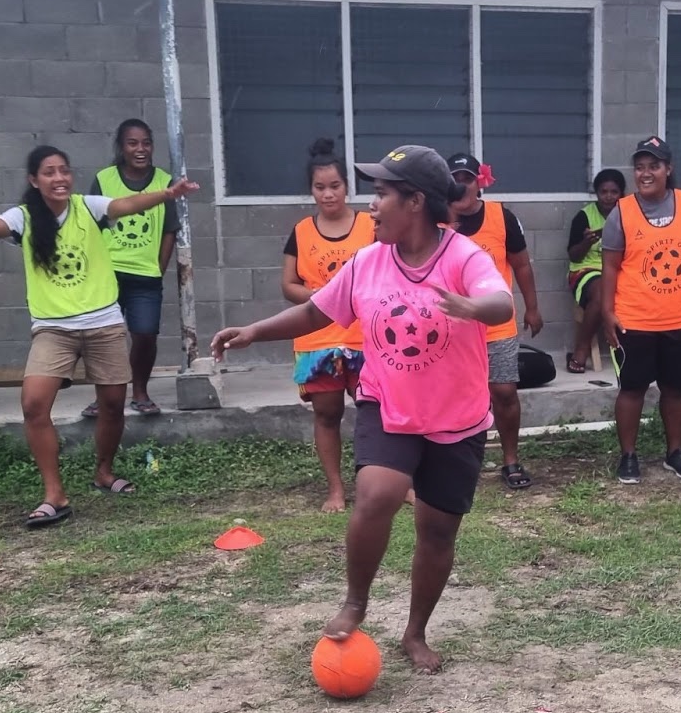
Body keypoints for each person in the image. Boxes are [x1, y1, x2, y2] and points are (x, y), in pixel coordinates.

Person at [211, 146, 511, 673]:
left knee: (438, 532)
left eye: (382, 194)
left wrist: (471, 306)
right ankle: (356, 600)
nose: (371, 207)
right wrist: (254, 332)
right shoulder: (368, 262)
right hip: (388, 403)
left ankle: (415, 633)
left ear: (415, 201)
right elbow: (313, 310)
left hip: (456, 416)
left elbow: (501, 302)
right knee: (378, 492)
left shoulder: (464, 257)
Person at [0, 145, 198, 527]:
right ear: (34, 180)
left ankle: (104, 472)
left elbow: (126, 205)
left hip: (104, 323)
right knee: (34, 405)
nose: (58, 178)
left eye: (64, 170)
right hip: (53, 328)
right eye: (48, 172)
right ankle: (54, 494)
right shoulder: (24, 217)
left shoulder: (87, 207)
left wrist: (167, 194)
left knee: (111, 405)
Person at [600, 136, 681, 485]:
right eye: (640, 167)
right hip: (634, 318)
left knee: (675, 389)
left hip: (679, 317)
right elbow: (610, 267)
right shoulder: (622, 212)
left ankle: (675, 453)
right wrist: (607, 312)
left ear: (668, 169)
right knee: (632, 389)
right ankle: (629, 457)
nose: (645, 173)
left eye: (654, 166)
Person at [283, 137, 376, 513]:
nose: (328, 194)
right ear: (311, 190)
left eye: (335, 186)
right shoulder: (301, 231)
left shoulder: (371, 225)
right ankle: (336, 490)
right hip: (317, 339)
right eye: (320, 187)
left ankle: (389, 482)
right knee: (327, 414)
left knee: (378, 412)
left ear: (347, 187)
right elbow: (288, 286)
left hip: (367, 338)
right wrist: (325, 297)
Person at [446, 152, 542, 491]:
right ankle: (456, 463)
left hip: (496, 325)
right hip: (452, 329)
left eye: (467, 179)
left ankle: (511, 459)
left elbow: (521, 265)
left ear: (479, 183)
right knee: (456, 396)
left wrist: (532, 307)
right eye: (454, 179)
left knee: (503, 392)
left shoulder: (502, 217)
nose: (461, 185)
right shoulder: (436, 222)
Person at [85, 118, 181, 418]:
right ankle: (105, 396)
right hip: (108, 275)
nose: (141, 149)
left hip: (145, 276)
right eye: (133, 143)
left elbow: (169, 230)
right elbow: (90, 226)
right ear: (121, 147)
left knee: (145, 334)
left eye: (146, 143)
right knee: (104, 337)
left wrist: (158, 268)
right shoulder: (104, 179)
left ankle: (139, 391)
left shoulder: (164, 182)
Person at [565, 169, 626, 374]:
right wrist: (586, 242)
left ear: (621, 193)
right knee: (602, 292)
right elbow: (573, 256)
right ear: (597, 193)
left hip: (622, 271)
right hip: (586, 271)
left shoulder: (629, 215)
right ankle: (581, 349)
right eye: (603, 191)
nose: (608, 196)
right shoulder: (584, 216)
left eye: (614, 192)